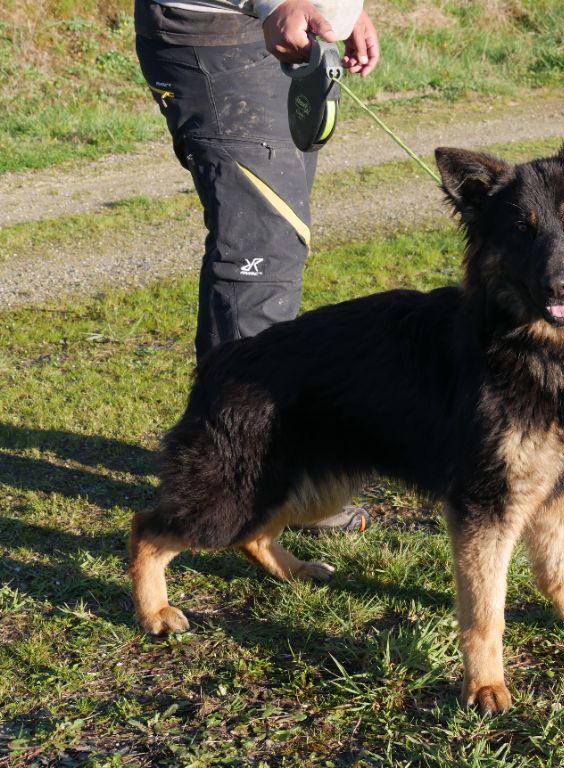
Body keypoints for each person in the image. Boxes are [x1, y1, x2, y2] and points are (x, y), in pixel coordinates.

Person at [135, 0, 379, 532]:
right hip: (222, 29)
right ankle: (242, 482)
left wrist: (344, 10)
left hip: (278, 29)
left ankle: (234, 463)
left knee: (276, 240)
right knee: (260, 254)